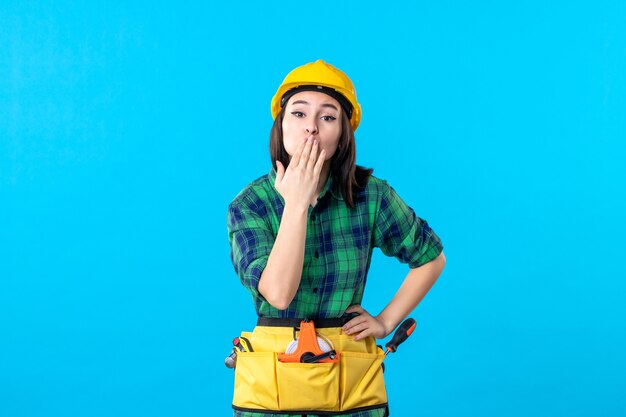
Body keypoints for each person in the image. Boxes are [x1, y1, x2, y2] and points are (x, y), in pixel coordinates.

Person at [227, 59, 446, 417]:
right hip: (271, 395)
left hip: (352, 391)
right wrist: (296, 205)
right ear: (280, 124)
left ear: (343, 132)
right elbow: (279, 294)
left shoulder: (370, 197)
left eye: (327, 117)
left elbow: (431, 258)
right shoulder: (249, 205)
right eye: (298, 114)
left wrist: (386, 322)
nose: (310, 128)